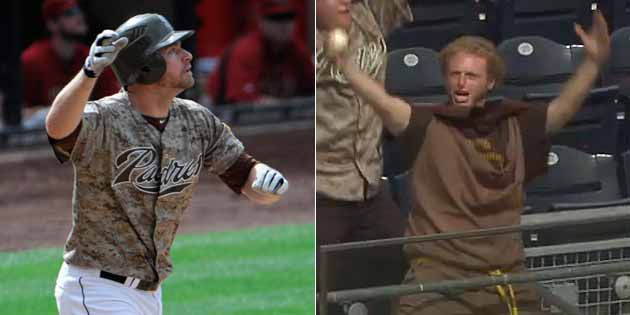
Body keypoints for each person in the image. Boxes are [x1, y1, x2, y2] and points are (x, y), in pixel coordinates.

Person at [325, 10, 611, 315]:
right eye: (455, 74)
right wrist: (346, 66)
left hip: (506, 277)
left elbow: (561, 111)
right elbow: (381, 101)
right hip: (437, 283)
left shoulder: (514, 123)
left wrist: (592, 64)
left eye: (471, 76)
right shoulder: (425, 124)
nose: (461, 83)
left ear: (490, 83)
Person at [45, 13, 289, 315]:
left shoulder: (196, 120)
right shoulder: (105, 119)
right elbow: (58, 130)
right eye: (173, 50)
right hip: (97, 288)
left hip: (150, 293)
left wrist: (265, 181)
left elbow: (243, 174)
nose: (188, 55)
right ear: (147, 64)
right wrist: (88, 73)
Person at [315, 0, 412, 314]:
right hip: (323, 189)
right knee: (319, 291)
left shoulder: (367, 14)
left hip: (369, 182)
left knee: (402, 263)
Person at [21, 0, 118, 129]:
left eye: (79, 11)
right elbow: (19, 115)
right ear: (52, 24)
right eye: (69, 13)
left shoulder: (93, 57)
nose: (79, 17)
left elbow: (114, 105)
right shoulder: (32, 60)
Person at [207, 0, 314, 105]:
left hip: (282, 117)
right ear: (261, 22)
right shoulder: (246, 50)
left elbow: (314, 89)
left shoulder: (298, 50)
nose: (284, 25)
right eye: (276, 19)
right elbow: (240, 99)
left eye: (289, 18)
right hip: (227, 116)